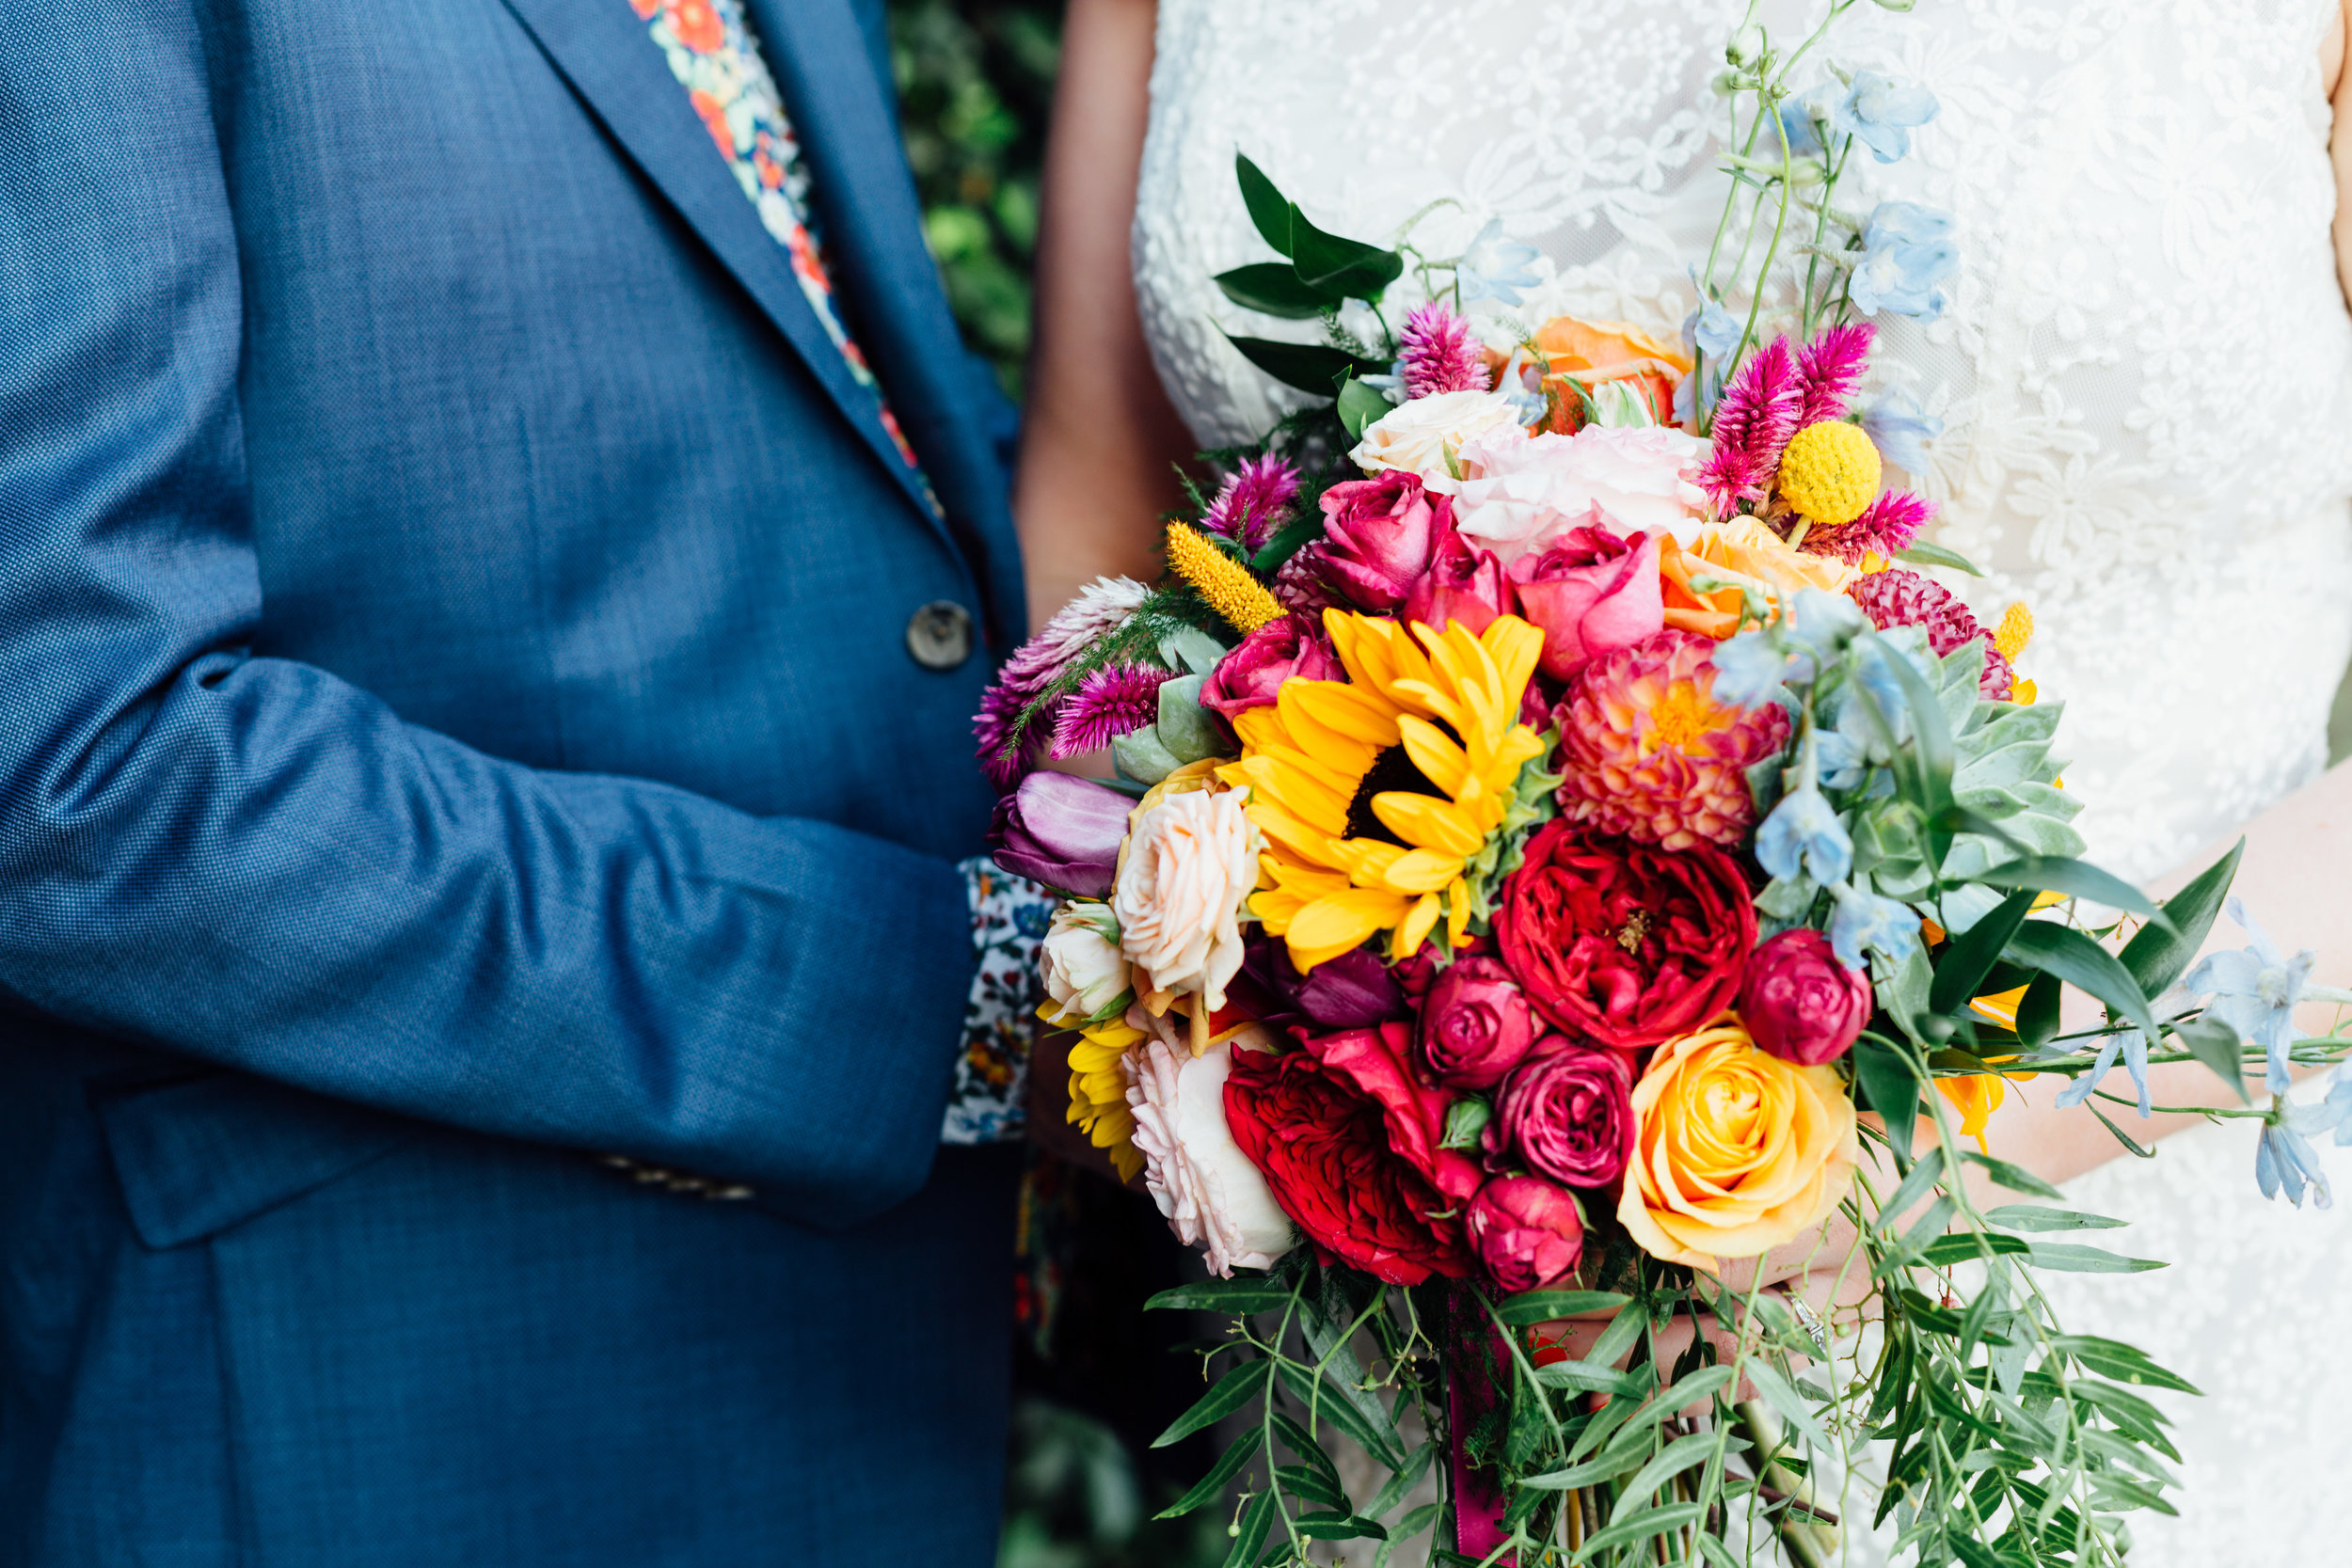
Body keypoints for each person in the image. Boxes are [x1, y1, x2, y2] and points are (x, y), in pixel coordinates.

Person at [1020, 0, 2352, 1560]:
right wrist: (1258, 1021)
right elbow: (1102, 527)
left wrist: (1921, 1162)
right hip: (1398, 1337)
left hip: (2093, 1284)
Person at [0, 0, 1052, 1561]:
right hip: (374, 1389)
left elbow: (836, 418)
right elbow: (77, 762)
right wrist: (901, 997)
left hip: (856, 1373)